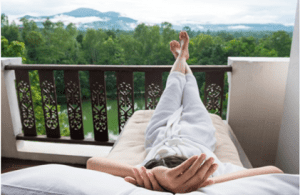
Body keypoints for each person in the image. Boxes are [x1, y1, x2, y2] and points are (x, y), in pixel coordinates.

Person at [87, 31, 284, 194]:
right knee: (191, 90)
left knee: (173, 86)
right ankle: (182, 58)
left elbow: (92, 164)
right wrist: (204, 182)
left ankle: (181, 57)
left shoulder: (147, 180)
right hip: (197, 134)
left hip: (160, 134)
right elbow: (273, 171)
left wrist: (157, 175)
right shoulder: (210, 173)